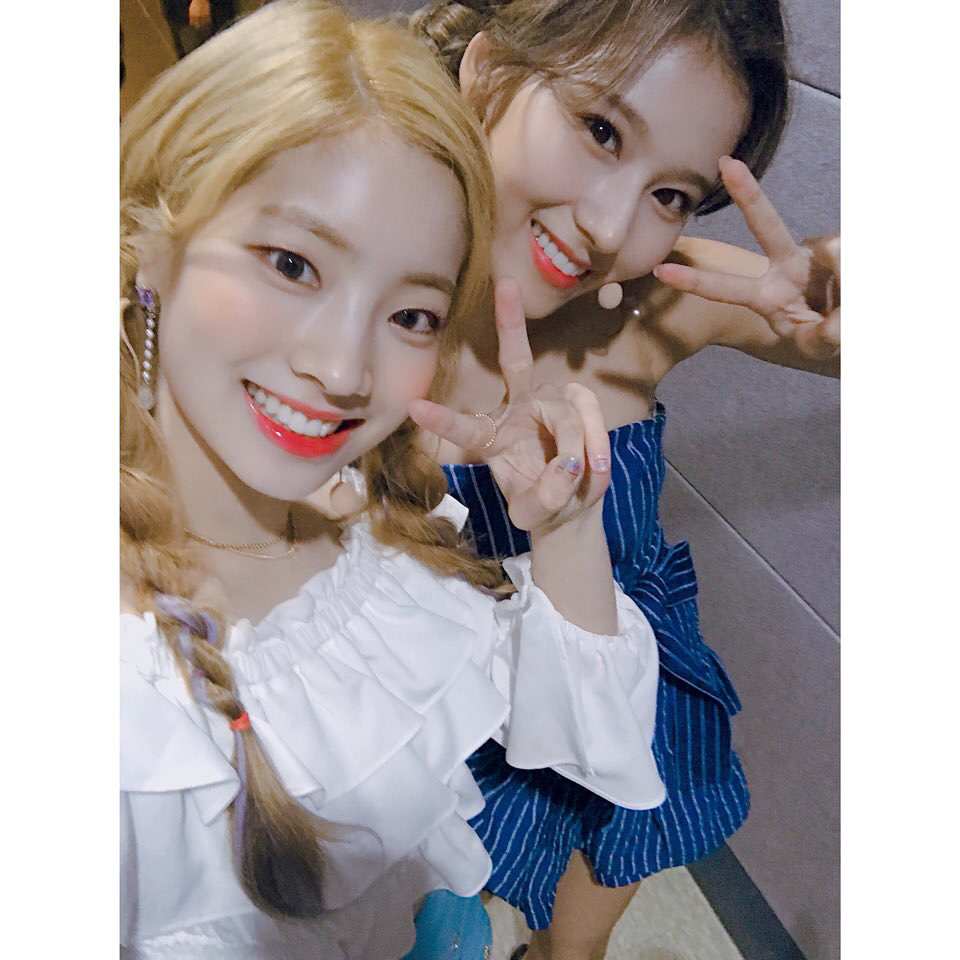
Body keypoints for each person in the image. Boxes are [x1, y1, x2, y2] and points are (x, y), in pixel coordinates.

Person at [119, 2, 668, 957]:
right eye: (292, 264)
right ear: (150, 245)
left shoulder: (377, 537)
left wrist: (567, 525)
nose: (342, 369)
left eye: (412, 315)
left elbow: (592, 742)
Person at [407, 2, 840, 958]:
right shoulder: (359, 291)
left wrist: (850, 305)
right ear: (486, 70)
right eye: (601, 130)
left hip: (623, 688)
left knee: (574, 950)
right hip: (436, 701)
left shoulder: (644, 308)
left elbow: (832, 328)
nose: (609, 229)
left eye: (672, 194)